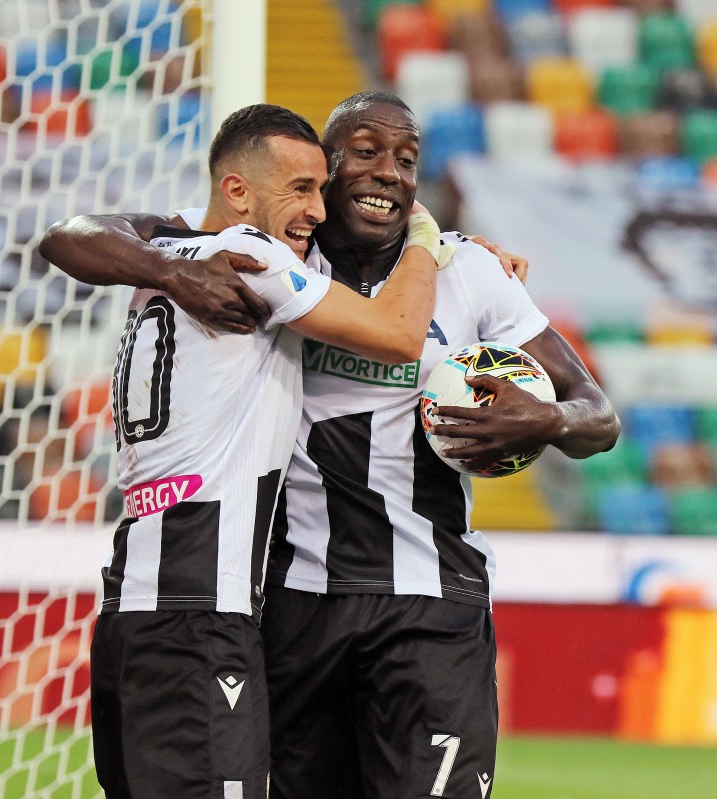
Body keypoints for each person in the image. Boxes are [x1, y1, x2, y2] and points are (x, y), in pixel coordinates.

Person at [45, 92, 620, 798]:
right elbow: (77, 235)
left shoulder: (469, 271)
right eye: (365, 152)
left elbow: (598, 414)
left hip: (432, 601)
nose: (388, 172)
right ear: (328, 169)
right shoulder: (276, 250)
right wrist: (165, 268)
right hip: (295, 607)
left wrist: (550, 421)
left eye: (406, 160)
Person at [38, 103, 446, 799]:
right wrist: (430, 238)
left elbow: (67, 235)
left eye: (321, 190)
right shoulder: (254, 255)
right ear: (237, 191)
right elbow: (401, 333)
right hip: (201, 608)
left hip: (132, 606)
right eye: (301, 189)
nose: (318, 210)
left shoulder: (171, 250)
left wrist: (167, 272)